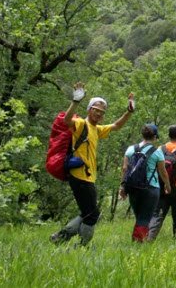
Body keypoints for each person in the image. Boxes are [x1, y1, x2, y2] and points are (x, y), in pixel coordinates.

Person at [50, 82, 134, 246]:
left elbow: (116, 126)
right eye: (95, 110)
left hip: (89, 177)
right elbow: (67, 120)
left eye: (101, 112)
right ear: (89, 110)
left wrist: (129, 112)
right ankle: (80, 244)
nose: (98, 114)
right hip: (79, 175)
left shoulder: (96, 129)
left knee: (88, 212)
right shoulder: (81, 124)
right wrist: (76, 101)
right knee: (92, 214)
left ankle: (60, 238)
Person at [120, 124, 170, 242]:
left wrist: (123, 186)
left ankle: (141, 239)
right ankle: (138, 244)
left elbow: (124, 169)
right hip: (151, 189)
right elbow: (163, 172)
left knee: (140, 217)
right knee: (144, 218)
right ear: (155, 137)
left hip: (132, 187)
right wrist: (167, 185)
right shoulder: (157, 152)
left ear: (142, 135)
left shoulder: (130, 149)